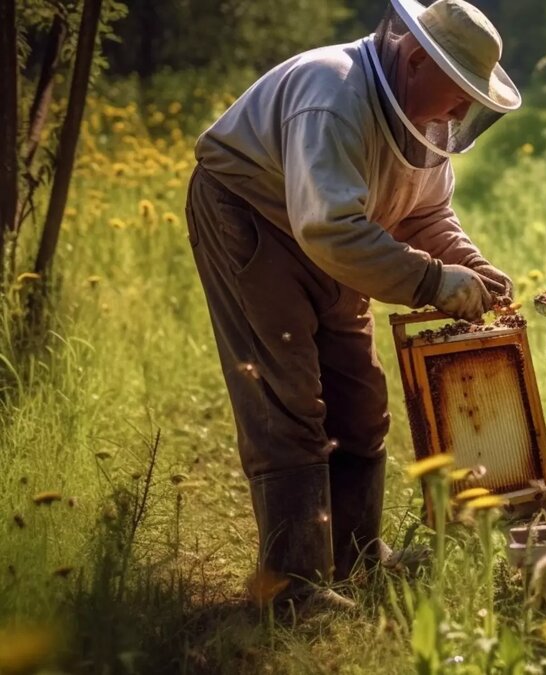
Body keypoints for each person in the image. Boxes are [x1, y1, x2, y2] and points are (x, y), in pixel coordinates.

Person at [183, 0, 519, 611]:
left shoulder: (429, 118)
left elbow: (426, 212)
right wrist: (431, 282)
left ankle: (357, 556)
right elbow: (330, 230)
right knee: (288, 395)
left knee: (359, 398)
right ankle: (293, 586)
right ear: (416, 59)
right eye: (460, 92)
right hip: (251, 215)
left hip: (332, 235)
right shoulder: (331, 93)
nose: (463, 110)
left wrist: (467, 265)